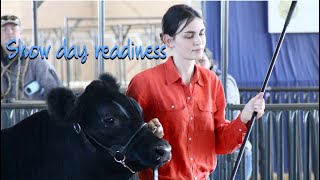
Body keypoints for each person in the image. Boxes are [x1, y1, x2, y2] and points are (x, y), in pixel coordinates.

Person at [126, 4, 265, 180]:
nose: (198, 41)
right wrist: (148, 135)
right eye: (189, 35)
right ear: (168, 41)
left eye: (201, 33)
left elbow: (220, 144)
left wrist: (244, 118)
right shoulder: (143, 83)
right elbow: (127, 143)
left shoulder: (212, 82)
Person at [196, 47, 252, 180]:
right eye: (195, 62)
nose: (198, 65)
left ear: (210, 62)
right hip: (213, 152)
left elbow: (227, 116)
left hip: (233, 154)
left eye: (202, 61)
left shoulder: (222, 81)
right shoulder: (197, 82)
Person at [1, 15, 62, 101]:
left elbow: (55, 91)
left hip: (33, 113)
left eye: (13, 29)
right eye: (4, 30)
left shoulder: (35, 59)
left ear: (20, 34)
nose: (9, 32)